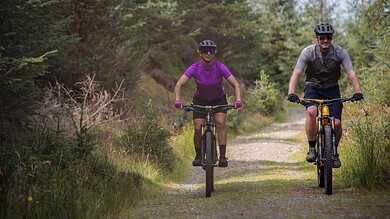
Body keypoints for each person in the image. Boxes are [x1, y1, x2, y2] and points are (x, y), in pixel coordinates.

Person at [287, 23, 364, 168]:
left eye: (328, 37)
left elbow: (351, 72)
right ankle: (311, 148)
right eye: (322, 37)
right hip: (313, 87)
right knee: (311, 111)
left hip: (332, 88)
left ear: (331, 38)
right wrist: (291, 92)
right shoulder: (308, 52)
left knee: (337, 123)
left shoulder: (340, 52)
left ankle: (334, 151)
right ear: (317, 38)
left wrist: (358, 91)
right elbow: (296, 73)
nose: (325, 40)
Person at [174, 39, 242, 167]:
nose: (208, 53)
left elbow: (235, 84)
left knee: (220, 123)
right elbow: (179, 84)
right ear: (200, 53)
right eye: (205, 51)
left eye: (211, 51)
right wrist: (178, 100)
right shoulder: (194, 68)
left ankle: (222, 157)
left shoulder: (220, 67)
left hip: (218, 99)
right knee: (198, 128)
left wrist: (238, 100)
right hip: (200, 100)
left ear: (214, 52)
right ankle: (198, 156)